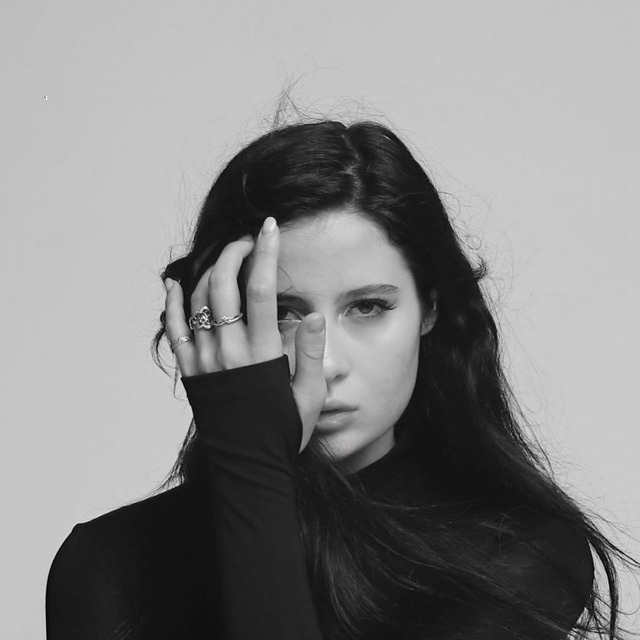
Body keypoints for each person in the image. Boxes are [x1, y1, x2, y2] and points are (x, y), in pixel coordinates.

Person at [46, 119, 633, 639]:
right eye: (281, 313)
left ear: (429, 310)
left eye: (368, 307)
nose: (324, 364)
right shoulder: (110, 563)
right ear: (219, 321)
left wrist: (253, 472)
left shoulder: (520, 552)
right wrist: (252, 467)